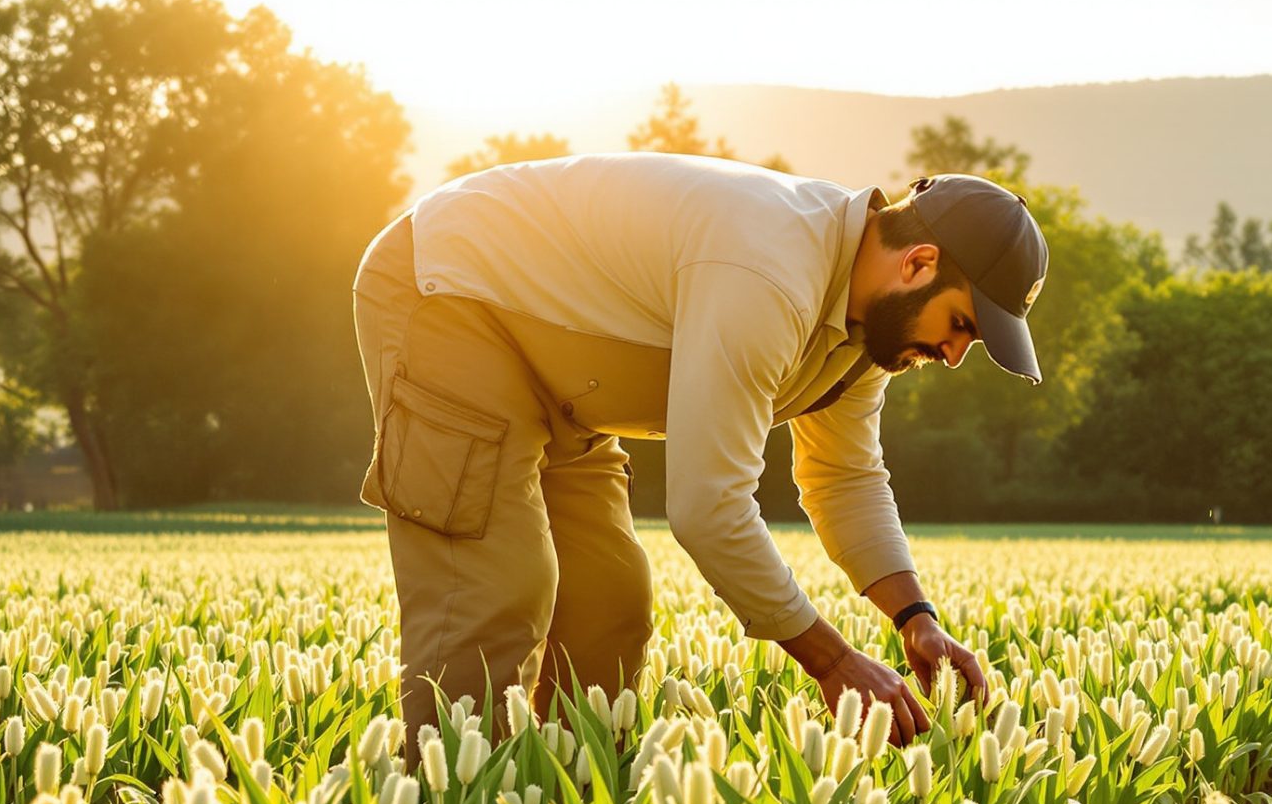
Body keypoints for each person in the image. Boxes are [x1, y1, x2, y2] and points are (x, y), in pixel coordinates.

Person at [349, 151, 1049, 746]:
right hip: (450, 293)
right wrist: (831, 661)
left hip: (561, 377)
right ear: (918, 263)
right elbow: (707, 506)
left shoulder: (867, 339)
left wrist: (914, 620)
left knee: (611, 599)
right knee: (499, 583)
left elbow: (845, 477)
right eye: (962, 324)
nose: (956, 355)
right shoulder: (770, 272)